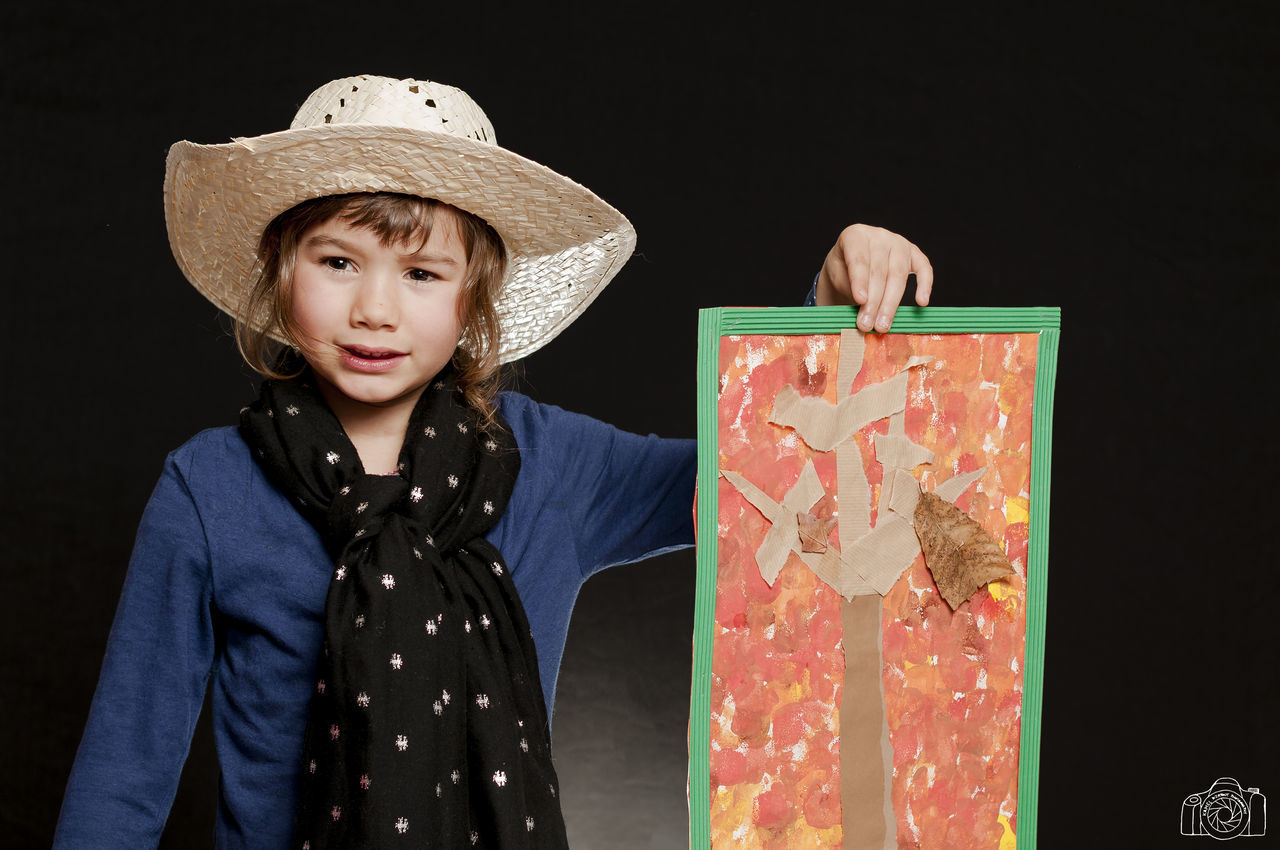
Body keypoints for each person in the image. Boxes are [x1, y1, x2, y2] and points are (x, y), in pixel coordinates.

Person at [53, 75, 933, 849]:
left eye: (423, 274)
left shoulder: (550, 463)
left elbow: (757, 479)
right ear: (281, 275)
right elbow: (123, 775)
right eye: (337, 261)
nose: (375, 309)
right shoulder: (209, 489)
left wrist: (825, 311)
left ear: (476, 298)